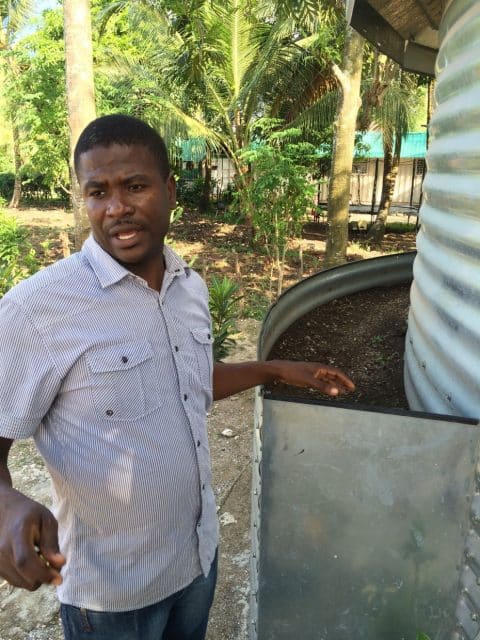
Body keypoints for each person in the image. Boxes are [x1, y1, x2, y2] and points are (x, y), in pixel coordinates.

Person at [0, 114, 355, 640]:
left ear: (169, 189)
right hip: (112, 595)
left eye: (135, 186)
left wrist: (276, 369)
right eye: (97, 191)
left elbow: (185, 384)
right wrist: (4, 502)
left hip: (196, 560)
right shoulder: (38, 310)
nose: (116, 208)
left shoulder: (189, 288)